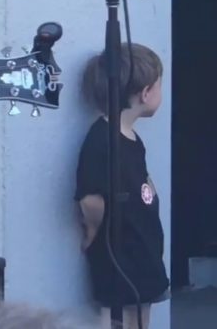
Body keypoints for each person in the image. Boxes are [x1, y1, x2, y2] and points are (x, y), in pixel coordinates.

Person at [74, 43, 170, 328]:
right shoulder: (101, 139)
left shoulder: (131, 137)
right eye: (160, 86)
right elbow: (91, 198)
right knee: (118, 317)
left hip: (143, 251)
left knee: (140, 315)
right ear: (145, 93)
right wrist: (92, 232)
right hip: (119, 253)